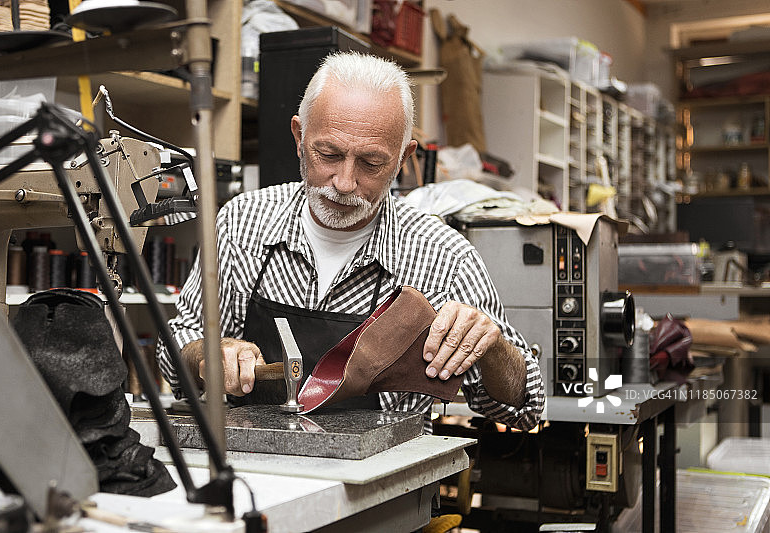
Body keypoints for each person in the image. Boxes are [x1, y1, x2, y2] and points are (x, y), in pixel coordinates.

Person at [157, 51, 544, 431]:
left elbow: (524, 409)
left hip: (384, 487)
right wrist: (207, 356)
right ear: (299, 136)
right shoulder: (244, 222)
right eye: (328, 153)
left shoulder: (445, 257)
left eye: (371, 164)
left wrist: (491, 347)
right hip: (261, 476)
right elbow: (178, 349)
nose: (344, 183)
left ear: (403, 158)